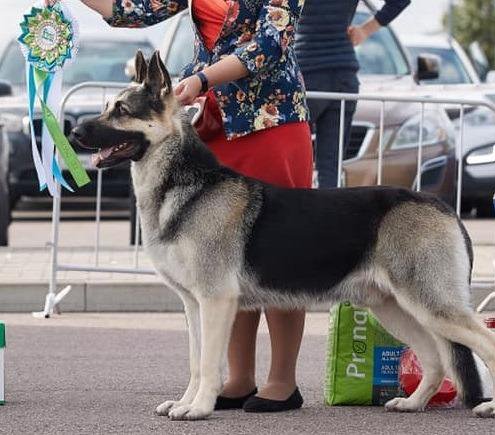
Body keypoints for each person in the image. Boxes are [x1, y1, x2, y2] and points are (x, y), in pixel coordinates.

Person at [46, 0, 312, 412]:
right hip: (211, 122)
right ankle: (238, 377)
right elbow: (134, 8)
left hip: (269, 119)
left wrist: (202, 79)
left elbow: (271, 42)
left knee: (281, 251)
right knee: (219, 260)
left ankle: (282, 380)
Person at [295, 0, 411, 188]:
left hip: (305, 76)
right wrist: (366, 29)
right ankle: (328, 216)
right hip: (344, 78)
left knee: (295, 160)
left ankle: (296, 215)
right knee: (331, 166)